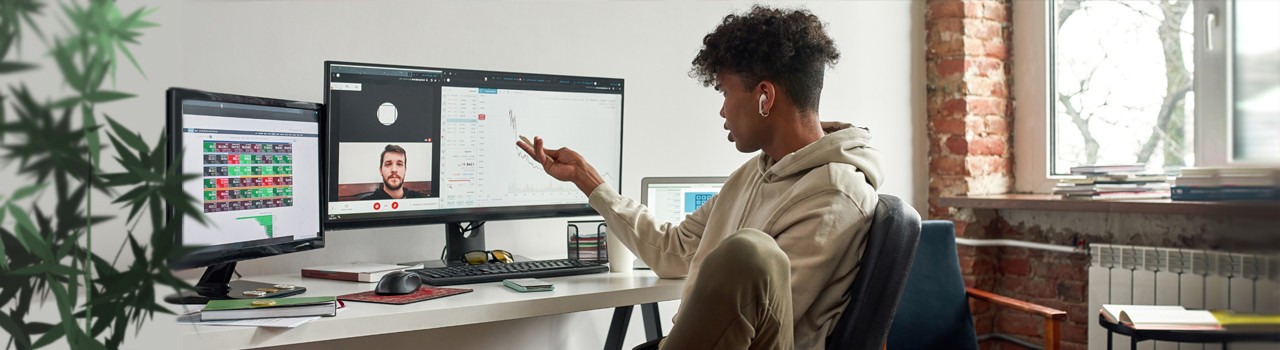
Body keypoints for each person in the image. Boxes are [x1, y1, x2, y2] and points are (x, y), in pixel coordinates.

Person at [517, 5, 882, 350]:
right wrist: (588, 179)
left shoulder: (835, 195)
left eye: (725, 92)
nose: (722, 109)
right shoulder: (754, 175)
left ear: (764, 98)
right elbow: (674, 250)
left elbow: (757, 325)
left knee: (750, 255)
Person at [363, 144, 427, 200]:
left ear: (405, 170)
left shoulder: (420, 199)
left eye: (399, 164)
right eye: (388, 164)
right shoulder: (365, 203)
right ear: (380, 170)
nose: (394, 170)